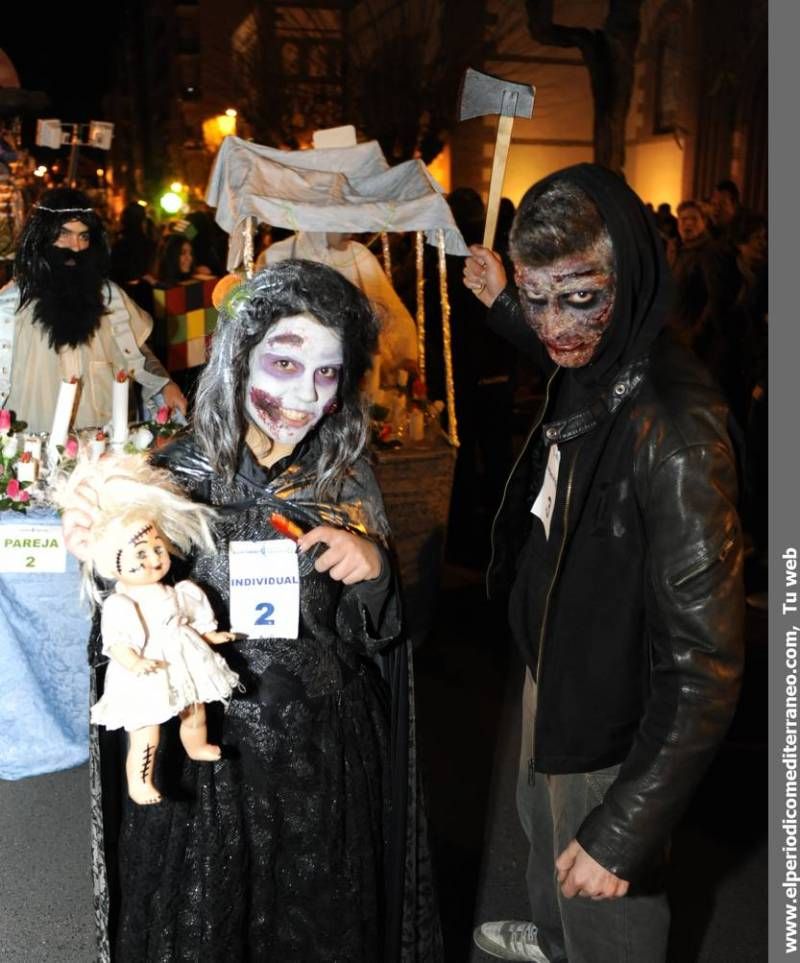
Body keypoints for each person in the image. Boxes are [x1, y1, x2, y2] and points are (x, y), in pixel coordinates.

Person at [62, 259, 442, 961]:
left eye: (328, 372)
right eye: (285, 363)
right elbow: (120, 624)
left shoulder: (347, 475)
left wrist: (376, 571)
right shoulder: (175, 479)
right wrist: (98, 550)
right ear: (238, 357)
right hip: (209, 760)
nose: (304, 396)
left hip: (320, 761)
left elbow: (387, 635)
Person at [462, 164, 743, 963]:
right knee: (542, 828)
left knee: (603, 894)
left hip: (615, 710)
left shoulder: (678, 431)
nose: (554, 327)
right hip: (558, 655)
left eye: (577, 297)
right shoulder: (595, 350)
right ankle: (555, 940)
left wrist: (627, 828)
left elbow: (706, 666)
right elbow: (560, 332)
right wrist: (502, 302)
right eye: (535, 295)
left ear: (630, 271)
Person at [0, 187, 186, 433]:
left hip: (99, 445)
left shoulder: (111, 298)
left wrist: (165, 384)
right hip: (30, 447)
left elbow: (139, 351)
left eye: (84, 236)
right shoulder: (10, 305)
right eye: (64, 234)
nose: (75, 246)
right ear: (42, 237)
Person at [259, 231, 418, 389]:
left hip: (353, 375)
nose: (352, 230)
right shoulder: (278, 255)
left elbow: (391, 313)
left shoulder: (360, 256)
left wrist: (403, 354)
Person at [671, 199, 748, 424]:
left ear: (704, 222)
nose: (687, 224)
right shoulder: (678, 250)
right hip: (677, 339)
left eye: (693, 219)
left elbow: (716, 301)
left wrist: (694, 335)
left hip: (697, 346)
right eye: (683, 219)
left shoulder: (710, 253)